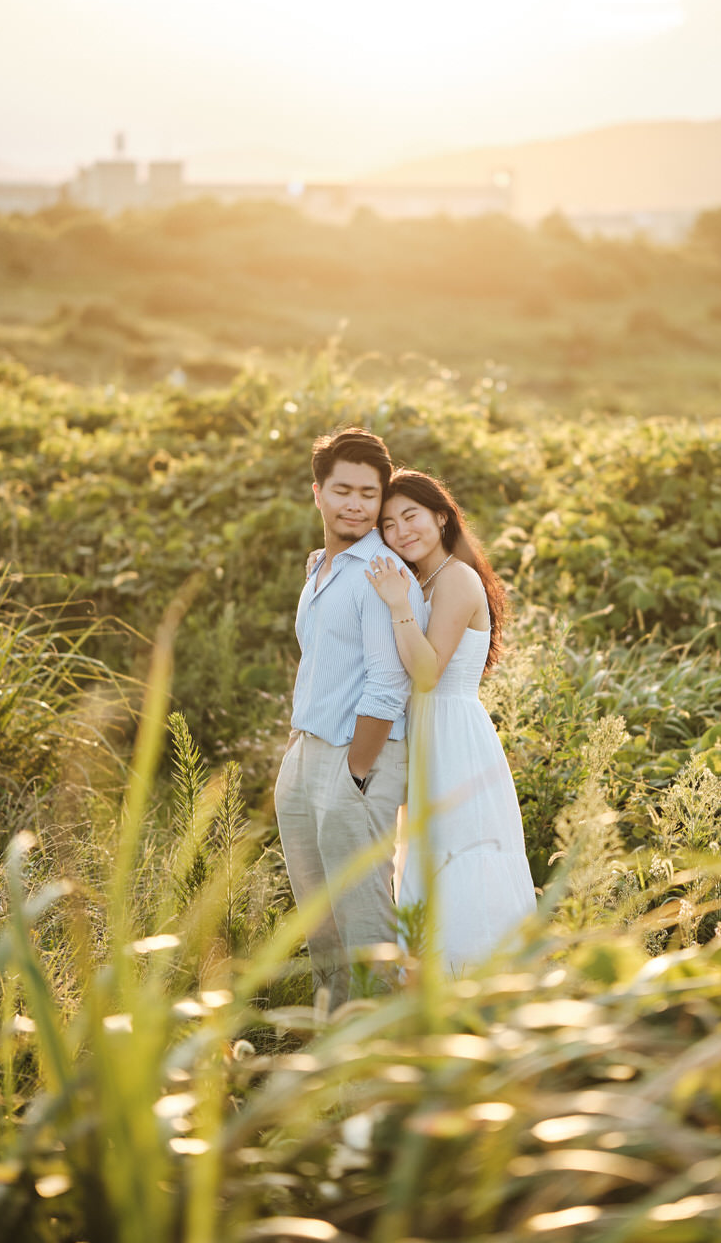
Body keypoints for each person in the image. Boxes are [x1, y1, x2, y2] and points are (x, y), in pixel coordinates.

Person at [274, 428, 426, 1009]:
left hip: (359, 758)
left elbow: (390, 682)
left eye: (369, 493)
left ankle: (377, 1053)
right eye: (343, 490)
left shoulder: (382, 571)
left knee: (364, 922)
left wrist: (358, 769)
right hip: (306, 753)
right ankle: (331, 1040)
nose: (357, 504)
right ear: (318, 493)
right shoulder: (320, 565)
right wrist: (297, 749)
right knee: (319, 918)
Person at [365, 469, 536, 974]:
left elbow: (424, 673)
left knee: (460, 850)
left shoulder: (457, 578)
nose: (401, 531)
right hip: (426, 733)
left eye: (411, 516)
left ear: (441, 516)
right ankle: (428, 982)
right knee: (425, 853)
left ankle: (476, 978)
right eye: (389, 524)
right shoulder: (421, 578)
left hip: (454, 735)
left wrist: (397, 605)